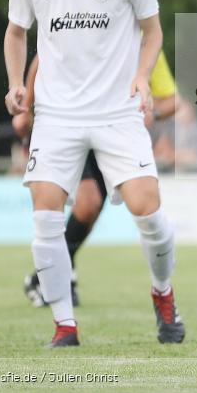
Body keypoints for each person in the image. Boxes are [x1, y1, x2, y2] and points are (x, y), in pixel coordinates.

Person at [3, 0, 184, 347]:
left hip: (116, 113)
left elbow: (152, 31)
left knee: (149, 213)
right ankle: (65, 324)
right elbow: (17, 32)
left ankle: (163, 293)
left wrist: (142, 78)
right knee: (45, 214)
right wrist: (17, 84)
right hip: (57, 117)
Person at [19, 50, 178, 308]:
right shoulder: (99, 21)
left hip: (117, 134)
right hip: (70, 124)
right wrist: (25, 107)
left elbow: (173, 100)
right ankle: (48, 278)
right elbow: (43, 57)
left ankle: (52, 275)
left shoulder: (147, 45)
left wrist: (152, 111)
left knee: (95, 208)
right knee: (87, 202)